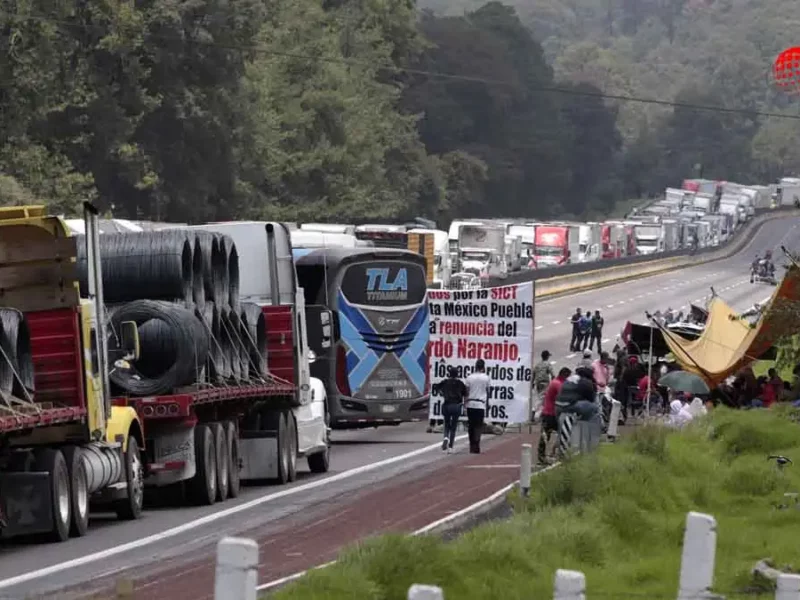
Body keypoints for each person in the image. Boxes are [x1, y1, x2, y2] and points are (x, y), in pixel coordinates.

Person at [538, 367, 570, 464]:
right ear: (563, 375)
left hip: (552, 413)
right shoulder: (557, 384)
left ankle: (552, 452)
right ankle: (543, 455)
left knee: (560, 433)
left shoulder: (557, 382)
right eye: (567, 376)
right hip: (550, 413)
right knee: (547, 435)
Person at [438, 366, 467, 453]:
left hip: (447, 405)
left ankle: (446, 437)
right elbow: (465, 394)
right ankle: (450, 447)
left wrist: (443, 393)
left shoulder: (445, 382)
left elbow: (437, 388)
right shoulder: (460, 383)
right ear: (457, 374)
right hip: (456, 405)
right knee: (453, 426)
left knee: (446, 424)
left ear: (449, 374)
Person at [465, 359, 491, 454]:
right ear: (483, 367)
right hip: (480, 404)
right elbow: (488, 392)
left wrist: (465, 404)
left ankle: (472, 445)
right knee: (478, 426)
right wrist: (488, 404)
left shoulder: (469, 377)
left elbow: (466, 392)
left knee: (471, 426)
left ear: (475, 367)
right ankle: (477, 444)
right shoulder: (486, 378)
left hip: (470, 404)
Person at [532, 350, 555, 419]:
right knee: (541, 399)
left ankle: (543, 414)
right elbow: (553, 374)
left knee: (543, 398)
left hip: (538, 383)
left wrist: (532, 384)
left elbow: (533, 374)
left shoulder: (538, 364)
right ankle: (533, 410)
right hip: (545, 383)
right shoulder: (547, 364)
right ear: (547, 357)